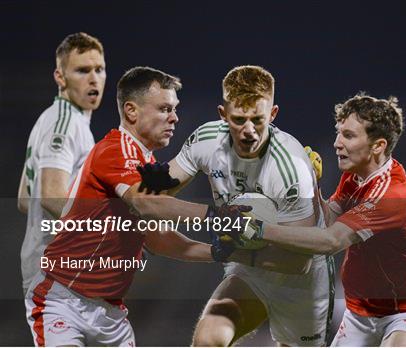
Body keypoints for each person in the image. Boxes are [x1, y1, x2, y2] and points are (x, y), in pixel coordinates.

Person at [24, 66, 236, 347]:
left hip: (111, 313)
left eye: (174, 109)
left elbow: (159, 240)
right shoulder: (116, 149)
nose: (174, 118)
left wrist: (219, 253)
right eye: (164, 109)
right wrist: (215, 216)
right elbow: (146, 203)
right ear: (132, 111)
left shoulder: (143, 163)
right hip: (64, 300)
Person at [226, 93, 406, 347]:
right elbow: (327, 218)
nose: (337, 143)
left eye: (348, 135)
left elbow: (330, 241)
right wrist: (311, 186)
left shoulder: (393, 194)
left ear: (378, 145)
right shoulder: (356, 175)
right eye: (338, 132)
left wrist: (258, 229)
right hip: (362, 310)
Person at [147, 65, 334, 346]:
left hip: (301, 284)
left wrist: (240, 242)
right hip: (250, 273)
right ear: (223, 115)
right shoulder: (207, 142)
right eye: (238, 119)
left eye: (258, 120)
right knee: (208, 341)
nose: (249, 131)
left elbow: (300, 262)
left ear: (273, 114)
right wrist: (214, 217)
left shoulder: (291, 167)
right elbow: (152, 199)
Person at [17, 32, 106, 294]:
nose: (93, 78)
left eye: (99, 69)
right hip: (59, 273)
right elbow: (50, 197)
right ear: (60, 77)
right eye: (82, 70)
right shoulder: (66, 125)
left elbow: (25, 198)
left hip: (48, 269)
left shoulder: (49, 118)